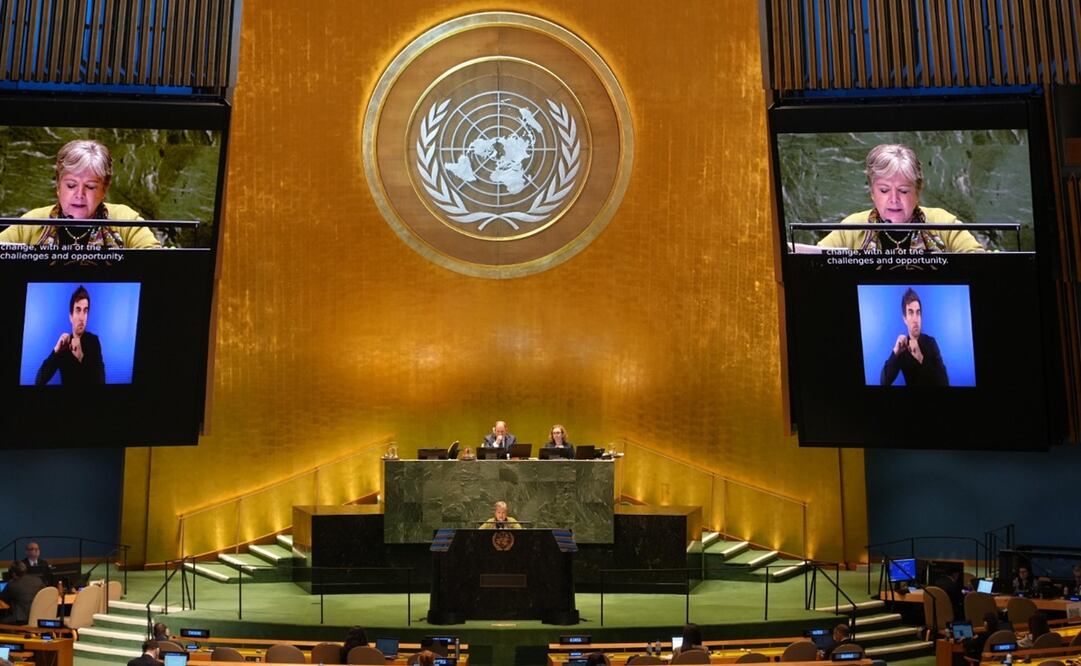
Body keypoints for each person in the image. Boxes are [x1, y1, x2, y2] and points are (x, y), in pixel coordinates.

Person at [817, 143, 984, 253]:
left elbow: (979, 260)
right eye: (884, 190)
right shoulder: (852, 227)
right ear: (872, 193)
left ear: (918, 191)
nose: (894, 199)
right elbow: (813, 260)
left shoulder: (942, 222)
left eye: (903, 191)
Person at [0, 139, 161, 248]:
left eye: (90, 187)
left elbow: (156, 262)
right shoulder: (32, 223)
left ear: (104, 189)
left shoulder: (125, 220)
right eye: (71, 185)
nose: (79, 194)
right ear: (58, 186)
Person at [35, 285, 106, 386]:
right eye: (78, 310)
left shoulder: (94, 342)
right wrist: (55, 351)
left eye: (85, 311)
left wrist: (81, 357)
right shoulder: (63, 345)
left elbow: (101, 382)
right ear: (71, 317)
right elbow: (39, 380)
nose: (82, 317)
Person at [880, 288, 949, 387]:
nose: (915, 319)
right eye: (911, 313)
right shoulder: (902, 348)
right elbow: (884, 382)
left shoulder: (931, 342)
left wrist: (921, 359)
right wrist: (895, 352)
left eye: (918, 312)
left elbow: (945, 383)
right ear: (905, 319)